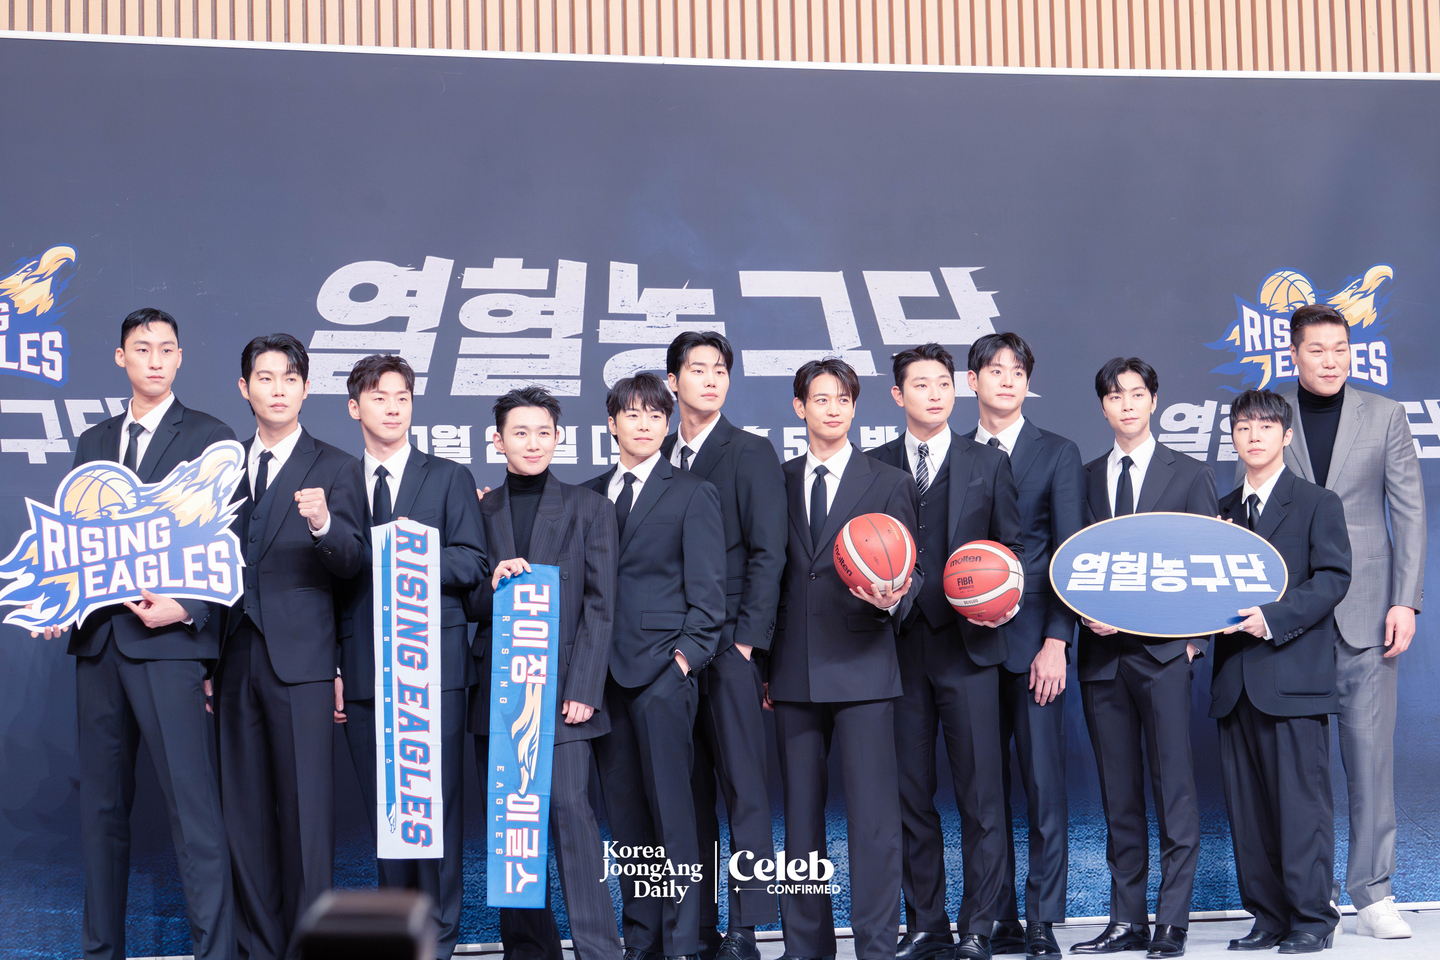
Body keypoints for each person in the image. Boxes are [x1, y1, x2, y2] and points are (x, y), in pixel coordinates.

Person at [35, 308, 237, 960]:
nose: (155, 359)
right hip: (98, 646)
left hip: (172, 646)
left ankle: (215, 952)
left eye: (166, 349)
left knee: (194, 815)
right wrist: (59, 599)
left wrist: (186, 607)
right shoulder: (92, 442)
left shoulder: (211, 436)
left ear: (180, 359)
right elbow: (78, 541)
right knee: (100, 818)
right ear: (120, 357)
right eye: (141, 348)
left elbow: (235, 544)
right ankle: (101, 953)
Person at [1235, 304, 1425, 939]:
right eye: (1317, 350)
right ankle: (1302, 899)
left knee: (1369, 759)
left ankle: (1373, 892)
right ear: (1294, 355)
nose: (1331, 360)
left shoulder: (1387, 416)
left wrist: (1407, 599)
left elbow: (1410, 512)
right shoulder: (1267, 421)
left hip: (1367, 616)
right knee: (1296, 775)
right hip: (1287, 625)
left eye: (1340, 348)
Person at [870, 343, 1025, 960]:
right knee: (910, 795)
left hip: (972, 649)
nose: (934, 394)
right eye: (920, 384)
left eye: (943, 383)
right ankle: (926, 923)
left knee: (982, 794)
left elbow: (1011, 550)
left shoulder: (987, 463)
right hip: (899, 649)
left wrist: (1004, 594)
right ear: (897, 395)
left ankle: (980, 927)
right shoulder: (875, 466)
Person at [216, 333, 367, 960]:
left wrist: (324, 525)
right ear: (244, 387)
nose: (277, 389)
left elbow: (356, 563)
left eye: (289, 378)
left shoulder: (335, 466)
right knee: (243, 818)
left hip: (303, 663)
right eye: (265, 377)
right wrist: (204, 660)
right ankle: (259, 947)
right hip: (231, 658)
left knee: (306, 819)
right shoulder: (220, 467)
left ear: (306, 389)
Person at [336, 354, 486, 959]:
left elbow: (473, 563)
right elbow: (325, 586)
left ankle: (442, 941)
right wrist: (337, 669)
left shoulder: (448, 477)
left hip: (435, 673)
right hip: (366, 672)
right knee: (388, 818)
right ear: (355, 407)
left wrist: (402, 552)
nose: (393, 406)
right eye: (379, 397)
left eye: (402, 396)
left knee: (439, 816)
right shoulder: (337, 480)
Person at [769, 358, 918, 960]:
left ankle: (877, 946)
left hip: (863, 667)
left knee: (874, 824)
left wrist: (894, 599)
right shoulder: (774, 481)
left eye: (844, 400)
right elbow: (766, 575)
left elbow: (912, 568)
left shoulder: (887, 481)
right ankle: (806, 947)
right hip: (793, 671)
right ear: (800, 408)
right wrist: (761, 668)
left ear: (855, 409)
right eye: (820, 399)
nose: (833, 409)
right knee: (801, 824)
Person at [467, 386, 623, 960]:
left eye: (543, 433)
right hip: (499, 696)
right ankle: (529, 952)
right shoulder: (478, 509)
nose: (532, 443)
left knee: (571, 818)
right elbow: (466, 601)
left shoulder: (590, 508)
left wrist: (584, 688)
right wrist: (490, 586)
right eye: (519, 433)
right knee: (513, 831)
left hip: (564, 698)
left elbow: (602, 605)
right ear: (497, 440)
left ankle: (599, 950)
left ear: (558, 438)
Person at [1072, 358, 1216, 960]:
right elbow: (1069, 562)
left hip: (1163, 659)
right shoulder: (1081, 478)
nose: (1126, 404)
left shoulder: (1188, 475)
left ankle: (1172, 922)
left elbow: (1211, 563)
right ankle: (1127, 919)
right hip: (1102, 659)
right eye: (1114, 395)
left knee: (1174, 792)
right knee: (1119, 795)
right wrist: (1083, 614)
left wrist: (1190, 639)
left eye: (1136, 393)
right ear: (1103, 407)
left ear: (1154, 400)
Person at [582, 372, 727, 960]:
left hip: (664, 675)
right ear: (611, 423)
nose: (643, 425)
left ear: (667, 426)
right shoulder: (588, 495)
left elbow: (710, 594)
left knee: (675, 812)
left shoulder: (693, 492)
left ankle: (685, 938)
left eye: (655, 416)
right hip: (600, 679)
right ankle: (641, 938)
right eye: (632, 414)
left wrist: (685, 660)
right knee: (627, 820)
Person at [660, 331, 787, 960]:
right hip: (671, 654)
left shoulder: (750, 452)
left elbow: (770, 553)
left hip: (729, 648)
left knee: (744, 788)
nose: (711, 380)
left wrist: (747, 645)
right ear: (672, 382)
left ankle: (745, 928)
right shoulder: (656, 454)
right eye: (697, 369)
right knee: (685, 794)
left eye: (720, 370)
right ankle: (696, 925)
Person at [960, 333, 1084, 959]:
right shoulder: (954, 453)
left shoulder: (1057, 453)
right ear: (973, 380)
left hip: (1037, 643)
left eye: (1017, 371)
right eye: (994, 370)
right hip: (968, 648)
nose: (1006, 380)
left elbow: (1070, 555)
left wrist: (1058, 639)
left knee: (1042, 785)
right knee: (981, 792)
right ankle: (988, 919)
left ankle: (1041, 920)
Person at [1214, 388, 1350, 954]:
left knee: (1301, 807)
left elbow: (1333, 578)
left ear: (1286, 436)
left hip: (1292, 676)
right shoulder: (1219, 511)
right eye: (1243, 427)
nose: (1254, 436)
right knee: (1248, 811)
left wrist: (1271, 618)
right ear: (1234, 437)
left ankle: (1312, 920)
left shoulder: (1317, 502)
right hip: (1233, 684)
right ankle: (1267, 916)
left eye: (1265, 427)